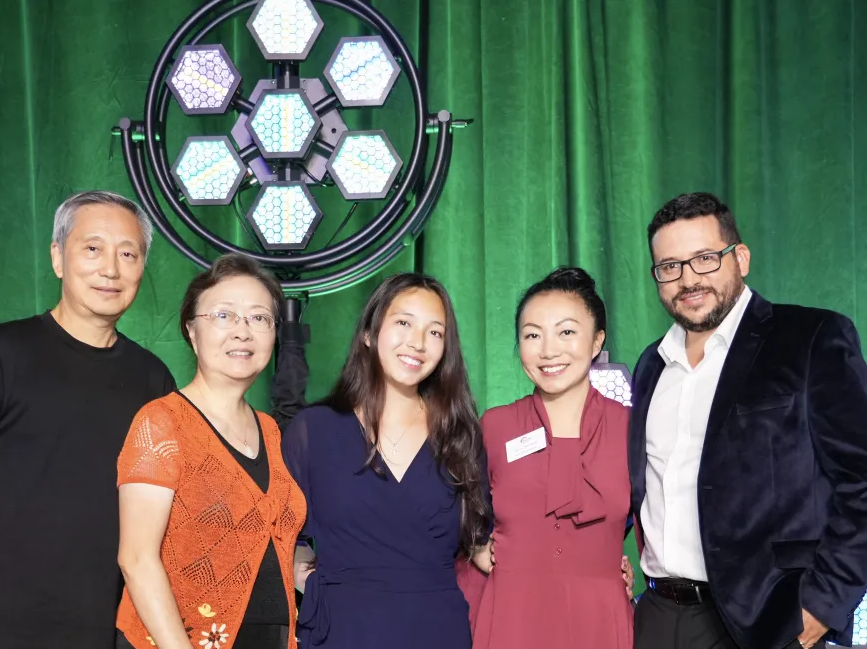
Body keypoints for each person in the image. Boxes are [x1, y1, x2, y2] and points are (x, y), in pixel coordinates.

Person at [628, 193, 867, 649]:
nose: (688, 279)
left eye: (704, 259)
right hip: (658, 616)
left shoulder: (810, 339)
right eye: (669, 266)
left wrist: (822, 604)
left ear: (741, 257)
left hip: (768, 619)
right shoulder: (650, 366)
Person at [0, 190, 177, 649]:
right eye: (92, 248)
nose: (110, 269)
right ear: (58, 257)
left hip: (109, 629)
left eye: (128, 254)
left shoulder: (153, 378)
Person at [282, 273, 488, 649]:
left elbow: (483, 545)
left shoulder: (461, 436)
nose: (417, 342)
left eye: (435, 332)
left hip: (436, 631)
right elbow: (282, 535)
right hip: (341, 631)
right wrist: (309, 578)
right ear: (369, 333)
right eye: (404, 323)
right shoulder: (314, 430)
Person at [114, 253, 307, 649]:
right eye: (223, 316)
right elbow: (136, 559)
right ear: (191, 331)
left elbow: (266, 542)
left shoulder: (269, 431)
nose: (242, 332)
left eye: (258, 318)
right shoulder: (161, 422)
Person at [460, 267, 635, 649]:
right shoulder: (495, 426)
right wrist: (475, 548)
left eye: (567, 332)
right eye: (532, 335)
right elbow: (456, 506)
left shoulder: (631, 428)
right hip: (513, 614)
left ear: (597, 341)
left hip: (599, 617)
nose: (548, 350)